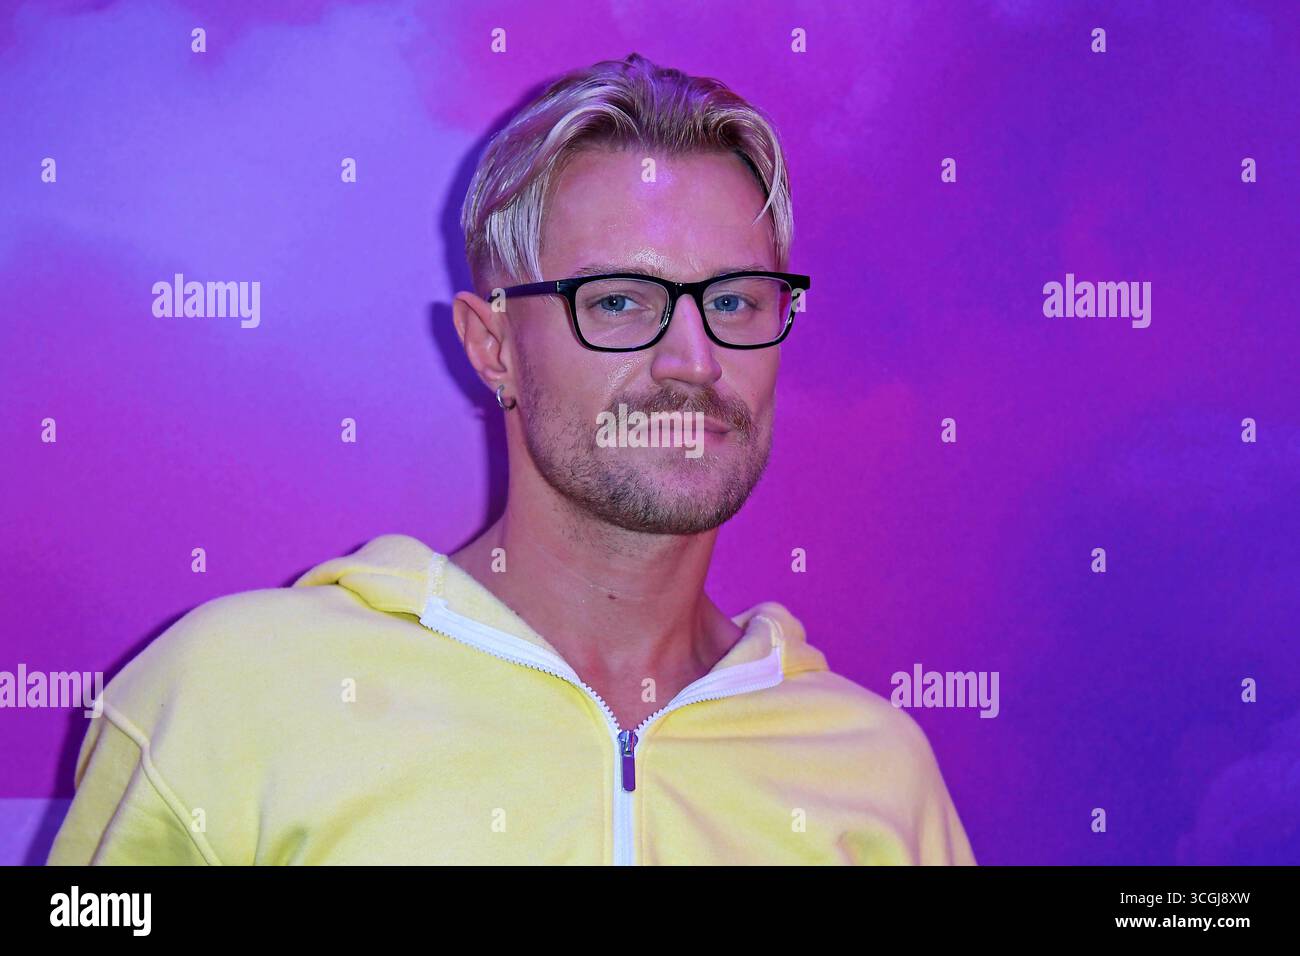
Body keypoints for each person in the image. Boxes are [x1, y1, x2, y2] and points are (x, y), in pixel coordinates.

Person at [47, 52, 976, 865]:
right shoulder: (227, 699)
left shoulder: (876, 775)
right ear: (493, 348)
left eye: (734, 302)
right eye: (618, 301)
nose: (693, 362)